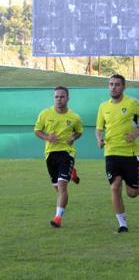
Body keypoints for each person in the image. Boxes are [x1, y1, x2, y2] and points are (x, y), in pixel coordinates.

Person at [96, 75, 139, 233]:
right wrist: (99, 139)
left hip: (130, 153)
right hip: (111, 152)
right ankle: (122, 224)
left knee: (132, 193)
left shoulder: (132, 103)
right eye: (111, 84)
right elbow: (99, 128)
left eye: (117, 85)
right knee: (115, 187)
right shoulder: (103, 107)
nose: (113, 87)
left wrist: (135, 134)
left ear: (124, 87)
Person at [34, 86, 83, 228]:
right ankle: (72, 172)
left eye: (62, 97)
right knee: (59, 190)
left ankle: (57, 218)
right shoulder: (45, 114)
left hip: (67, 153)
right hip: (50, 154)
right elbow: (37, 130)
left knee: (62, 188)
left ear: (68, 98)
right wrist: (47, 137)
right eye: (56, 97)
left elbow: (79, 132)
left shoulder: (74, 117)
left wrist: (74, 137)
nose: (59, 99)